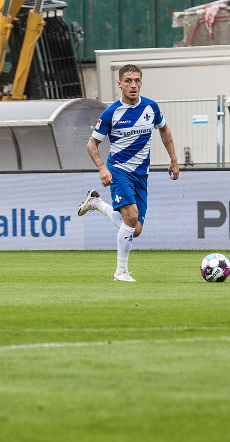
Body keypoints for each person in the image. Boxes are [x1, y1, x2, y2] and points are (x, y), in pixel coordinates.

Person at [76, 64, 180, 282]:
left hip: (141, 175)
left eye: (137, 81)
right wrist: (103, 168)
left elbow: (164, 130)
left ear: (141, 83)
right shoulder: (111, 113)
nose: (133, 85)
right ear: (120, 84)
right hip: (119, 170)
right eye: (128, 81)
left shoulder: (151, 108)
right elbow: (92, 144)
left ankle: (96, 203)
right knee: (131, 217)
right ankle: (120, 272)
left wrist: (173, 160)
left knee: (136, 228)